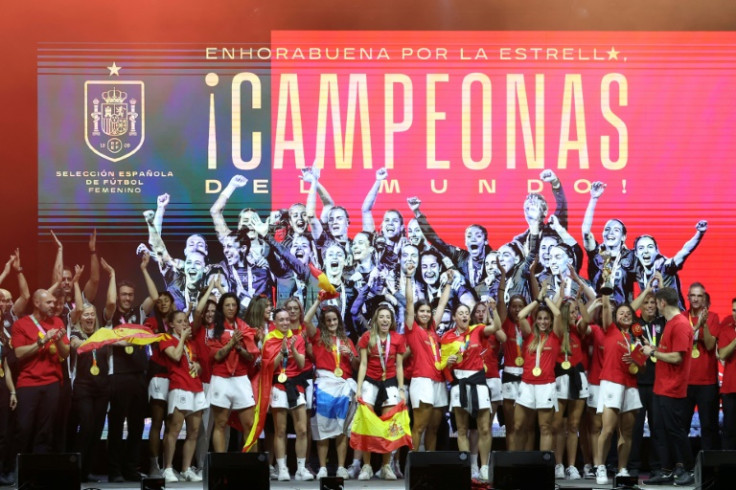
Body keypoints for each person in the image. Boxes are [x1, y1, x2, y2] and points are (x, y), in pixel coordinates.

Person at [104, 256, 154, 483]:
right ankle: (114, 471)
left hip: (139, 376)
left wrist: (144, 269)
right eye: (123, 294)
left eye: (130, 295)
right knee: (116, 426)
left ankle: (131, 468)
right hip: (118, 376)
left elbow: (154, 297)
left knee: (136, 426)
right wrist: (113, 275)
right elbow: (112, 302)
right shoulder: (110, 315)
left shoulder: (138, 313)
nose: (127, 298)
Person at [441, 301, 502, 482]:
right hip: (459, 383)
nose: (464, 315)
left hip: (478, 381)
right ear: (454, 317)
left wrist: (494, 309)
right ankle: (468, 467)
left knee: (484, 428)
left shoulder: (478, 330)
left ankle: (484, 467)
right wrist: (449, 364)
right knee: (462, 429)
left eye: (466, 312)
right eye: (460, 313)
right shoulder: (447, 337)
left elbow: (497, 326)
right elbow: (443, 366)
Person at [642, 287, 695, 486]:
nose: (654, 307)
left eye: (656, 303)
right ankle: (666, 470)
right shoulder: (672, 323)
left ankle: (687, 470)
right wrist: (654, 348)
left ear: (662, 303)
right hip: (661, 387)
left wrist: (652, 354)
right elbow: (668, 351)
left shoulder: (680, 324)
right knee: (662, 432)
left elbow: (677, 357)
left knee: (675, 432)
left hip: (673, 389)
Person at [304, 301, 359, 479]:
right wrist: (318, 302)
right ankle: (322, 468)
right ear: (324, 322)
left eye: (335, 320)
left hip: (343, 387)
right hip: (324, 386)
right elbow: (305, 320)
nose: (332, 323)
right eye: (328, 320)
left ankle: (342, 467)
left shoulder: (347, 341)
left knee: (342, 429)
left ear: (339, 321)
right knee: (322, 427)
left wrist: (350, 354)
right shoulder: (318, 337)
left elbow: (357, 365)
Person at [12, 289, 70, 453]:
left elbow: (65, 354)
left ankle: (39, 474)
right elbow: (18, 353)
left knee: (45, 432)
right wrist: (42, 341)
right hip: (28, 383)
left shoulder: (57, 322)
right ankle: (19, 471)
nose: (54, 305)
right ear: (37, 303)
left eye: (54, 302)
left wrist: (58, 341)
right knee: (23, 428)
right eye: (49, 302)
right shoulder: (21, 324)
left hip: (52, 383)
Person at [68, 264, 112, 483]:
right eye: (86, 314)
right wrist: (76, 281)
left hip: (102, 388)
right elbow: (76, 346)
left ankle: (87, 471)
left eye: (92, 315)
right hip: (83, 388)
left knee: (96, 430)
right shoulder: (75, 333)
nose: (90, 318)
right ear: (80, 317)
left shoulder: (103, 334)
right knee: (85, 426)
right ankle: (76, 469)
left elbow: (119, 341)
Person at [510, 286, 564, 458]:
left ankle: (544, 467)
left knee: (545, 427)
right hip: (527, 384)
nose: (543, 321)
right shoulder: (529, 335)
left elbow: (558, 314)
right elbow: (520, 315)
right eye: (539, 318)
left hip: (546, 385)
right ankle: (515, 462)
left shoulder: (555, 336)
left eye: (545, 319)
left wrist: (546, 299)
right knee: (518, 426)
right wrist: (537, 300)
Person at [355, 305, 407, 480]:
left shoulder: (398, 339)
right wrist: (359, 388)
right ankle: (367, 466)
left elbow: (399, 365)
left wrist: (401, 389)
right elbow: (362, 364)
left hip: (390, 382)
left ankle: (386, 466)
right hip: (370, 381)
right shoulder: (367, 337)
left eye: (388, 317)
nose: (385, 320)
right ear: (376, 320)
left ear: (392, 321)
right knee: (367, 424)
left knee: (390, 425)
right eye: (382, 317)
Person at [593, 296, 642, 485]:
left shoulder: (636, 338)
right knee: (608, 429)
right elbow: (606, 309)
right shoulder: (611, 329)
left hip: (630, 385)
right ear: (615, 317)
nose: (626, 315)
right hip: (612, 382)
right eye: (621, 313)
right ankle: (600, 467)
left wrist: (638, 360)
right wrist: (605, 294)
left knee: (627, 432)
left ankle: (622, 469)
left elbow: (642, 368)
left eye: (629, 313)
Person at [404, 266, 451, 453]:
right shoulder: (412, 329)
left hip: (438, 380)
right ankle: (413, 462)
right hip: (421, 380)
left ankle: (429, 463)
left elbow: (442, 305)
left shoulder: (432, 330)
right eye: (421, 311)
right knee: (419, 426)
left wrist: (448, 282)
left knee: (434, 428)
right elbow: (409, 302)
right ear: (415, 314)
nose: (425, 314)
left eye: (427, 311)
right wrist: (408, 276)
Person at [207, 292, 260, 453]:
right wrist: (231, 343)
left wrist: (238, 347)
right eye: (227, 305)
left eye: (233, 305)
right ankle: (220, 466)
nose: (231, 308)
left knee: (250, 424)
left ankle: (252, 464)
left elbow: (250, 357)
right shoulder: (213, 329)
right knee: (221, 424)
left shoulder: (244, 328)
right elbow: (216, 355)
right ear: (221, 308)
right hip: (221, 379)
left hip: (240, 379)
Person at [267, 308, 314, 481]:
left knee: (302, 429)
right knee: (280, 430)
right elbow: (270, 368)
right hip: (279, 385)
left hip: (296, 385)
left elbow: (301, 364)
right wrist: (282, 351)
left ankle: (301, 469)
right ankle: (282, 468)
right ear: (275, 322)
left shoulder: (298, 338)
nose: (285, 322)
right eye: (281, 320)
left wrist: (293, 348)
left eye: (287, 319)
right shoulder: (270, 339)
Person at [160, 311, 207, 483]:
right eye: (179, 321)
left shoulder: (191, 343)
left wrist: (198, 366)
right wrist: (182, 338)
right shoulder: (166, 339)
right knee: (174, 429)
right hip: (179, 386)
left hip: (196, 387)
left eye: (186, 321)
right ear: (171, 324)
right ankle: (168, 468)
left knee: (194, 431)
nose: (184, 324)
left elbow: (198, 365)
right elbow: (176, 355)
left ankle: (186, 469)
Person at [551, 296, 590, 480]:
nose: (576, 314)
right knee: (558, 425)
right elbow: (557, 314)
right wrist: (561, 296)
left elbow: (587, 319)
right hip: (560, 379)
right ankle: (558, 464)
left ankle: (572, 466)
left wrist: (579, 300)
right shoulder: (558, 330)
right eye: (573, 311)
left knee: (574, 425)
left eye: (577, 311)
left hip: (578, 378)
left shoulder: (578, 329)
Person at [581, 181, 636, 305]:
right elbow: (585, 231)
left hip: (622, 313)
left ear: (623, 237)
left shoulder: (631, 256)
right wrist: (594, 199)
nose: (610, 233)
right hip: (597, 311)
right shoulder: (596, 253)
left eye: (616, 230)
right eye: (607, 229)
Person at [632, 220, 707, 310]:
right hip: (655, 319)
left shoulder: (666, 267)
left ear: (657, 251)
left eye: (650, 247)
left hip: (675, 318)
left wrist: (699, 233)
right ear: (636, 253)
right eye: (641, 248)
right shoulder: (638, 271)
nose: (646, 251)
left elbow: (685, 251)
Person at [683, 282, 720, 452]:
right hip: (685, 382)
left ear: (704, 298)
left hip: (707, 382)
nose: (696, 299)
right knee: (682, 427)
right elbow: (682, 342)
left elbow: (711, 344)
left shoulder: (712, 317)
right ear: (688, 297)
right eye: (693, 295)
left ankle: (708, 469)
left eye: (700, 296)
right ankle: (683, 466)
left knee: (708, 427)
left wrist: (703, 323)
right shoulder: (682, 317)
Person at [717, 298, 736, 450]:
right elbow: (722, 354)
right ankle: (728, 469)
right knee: (729, 431)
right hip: (730, 389)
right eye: (734, 310)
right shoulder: (726, 330)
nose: (735, 314)